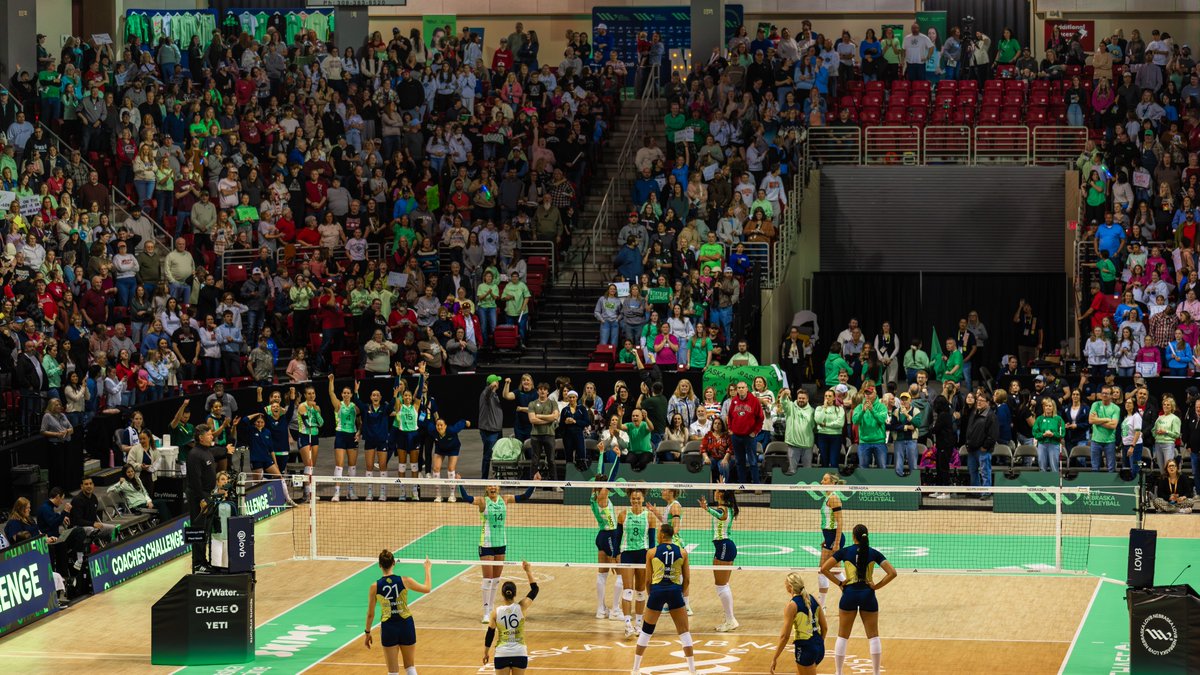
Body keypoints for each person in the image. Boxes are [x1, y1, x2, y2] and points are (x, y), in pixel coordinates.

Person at [820, 524, 898, 675]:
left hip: (849, 594)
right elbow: (892, 573)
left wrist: (840, 584)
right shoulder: (873, 553)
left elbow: (824, 569)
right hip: (868, 595)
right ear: (866, 536)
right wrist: (876, 586)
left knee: (843, 635)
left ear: (853, 536)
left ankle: (838, 672)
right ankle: (876, 673)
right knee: (873, 635)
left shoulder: (845, 551)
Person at [456, 482, 537, 623]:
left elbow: (525, 496)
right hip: (486, 544)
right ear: (486, 489)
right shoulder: (482, 501)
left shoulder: (505, 499)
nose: (492, 488)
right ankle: (486, 612)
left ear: (498, 488)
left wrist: (535, 483)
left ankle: (491, 608)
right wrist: (459, 484)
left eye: (495, 486)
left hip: (501, 543)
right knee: (487, 580)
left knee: (495, 581)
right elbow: (466, 498)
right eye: (489, 486)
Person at [630, 524, 697, 675]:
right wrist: (679, 593)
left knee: (646, 631)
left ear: (660, 535)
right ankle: (693, 670)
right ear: (672, 535)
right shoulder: (683, 552)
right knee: (684, 632)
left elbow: (647, 580)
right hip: (675, 592)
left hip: (657, 592)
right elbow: (686, 580)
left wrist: (651, 595)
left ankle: (635, 669)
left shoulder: (651, 552)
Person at [363, 552, 432, 675]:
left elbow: (370, 614)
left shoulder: (375, 587)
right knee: (410, 667)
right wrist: (427, 569)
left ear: (379, 565)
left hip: (389, 627)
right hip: (406, 625)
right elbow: (427, 588)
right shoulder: (406, 580)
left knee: (393, 671)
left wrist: (367, 632)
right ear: (394, 563)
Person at [484, 560, 539, 675]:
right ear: (515, 593)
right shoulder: (522, 607)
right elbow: (535, 590)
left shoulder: (495, 612)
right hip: (519, 653)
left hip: (502, 654)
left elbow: (490, 634)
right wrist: (528, 571)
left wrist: (486, 653)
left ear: (502, 594)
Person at [769, 572, 828, 675]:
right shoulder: (813, 598)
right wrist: (818, 643)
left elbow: (784, 637)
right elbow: (825, 628)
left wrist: (775, 658)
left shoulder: (792, 606)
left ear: (790, 587)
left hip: (805, 649)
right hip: (819, 647)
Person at [618, 487, 657, 639]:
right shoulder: (623, 515)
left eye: (638, 498)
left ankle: (639, 625)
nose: (635, 501)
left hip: (643, 554)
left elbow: (652, 541)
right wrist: (616, 554)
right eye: (633, 498)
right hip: (627, 554)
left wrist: (653, 558)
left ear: (642, 499)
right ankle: (628, 624)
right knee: (628, 590)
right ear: (630, 499)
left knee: (641, 591)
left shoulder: (649, 517)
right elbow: (617, 537)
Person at [698, 488, 739, 632]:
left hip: (724, 546)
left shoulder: (723, 510)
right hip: (724, 547)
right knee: (723, 585)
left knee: (721, 585)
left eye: (717, 490)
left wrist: (706, 509)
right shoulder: (730, 507)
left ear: (721, 494)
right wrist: (723, 485)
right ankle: (730, 619)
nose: (714, 492)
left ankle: (730, 620)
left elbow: (719, 514)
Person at [591, 483, 623, 619]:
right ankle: (615, 610)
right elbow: (611, 476)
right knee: (621, 572)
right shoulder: (603, 496)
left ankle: (601, 609)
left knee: (602, 574)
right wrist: (618, 460)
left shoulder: (593, 497)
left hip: (602, 536)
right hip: (611, 535)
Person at [328, 374, 361, 501]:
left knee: (352, 466)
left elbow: (361, 422)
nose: (346, 394)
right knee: (339, 465)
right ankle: (336, 493)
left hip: (352, 435)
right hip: (341, 435)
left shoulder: (355, 407)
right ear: (342, 394)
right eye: (344, 393)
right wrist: (331, 381)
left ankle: (351, 492)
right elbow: (331, 393)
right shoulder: (339, 405)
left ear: (351, 395)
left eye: (348, 393)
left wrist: (359, 432)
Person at [816, 473, 847, 608]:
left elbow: (840, 521)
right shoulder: (827, 497)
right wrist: (826, 539)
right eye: (822, 479)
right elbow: (830, 522)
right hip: (830, 537)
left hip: (835, 538)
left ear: (832, 483)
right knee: (835, 571)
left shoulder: (834, 498)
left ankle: (821, 606)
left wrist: (836, 542)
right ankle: (852, 598)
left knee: (823, 570)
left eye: (825, 479)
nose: (822, 481)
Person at [726, 381, 764, 483]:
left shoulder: (754, 401)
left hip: (749, 436)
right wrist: (730, 429)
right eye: (739, 388)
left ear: (747, 388)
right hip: (736, 436)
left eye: (743, 387)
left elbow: (760, 418)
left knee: (752, 461)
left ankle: (756, 485)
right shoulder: (734, 401)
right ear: (737, 390)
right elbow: (729, 416)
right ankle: (742, 485)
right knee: (739, 462)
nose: (741, 389)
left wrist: (755, 431)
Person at [296, 384, 324, 501]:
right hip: (304, 436)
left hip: (315, 436)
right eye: (309, 394)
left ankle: (310, 493)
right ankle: (307, 493)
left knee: (312, 465)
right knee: (308, 463)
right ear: (305, 395)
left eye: (313, 393)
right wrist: (315, 421)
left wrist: (316, 411)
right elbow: (307, 424)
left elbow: (321, 423)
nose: (311, 395)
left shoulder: (317, 407)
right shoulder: (302, 407)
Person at [1088, 385, 1120, 472]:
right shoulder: (1095, 405)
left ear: (1111, 395)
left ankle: (1110, 486)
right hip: (1095, 441)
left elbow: (1113, 425)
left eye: (1107, 393)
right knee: (1095, 468)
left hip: (1110, 441)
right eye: (1103, 393)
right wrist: (1106, 419)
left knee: (1111, 468)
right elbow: (1091, 420)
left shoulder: (1116, 408)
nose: (1104, 395)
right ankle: (1095, 485)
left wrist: (1097, 421)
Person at [1033, 397, 1065, 472]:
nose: (1048, 407)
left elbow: (1062, 433)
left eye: (1050, 406)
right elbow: (1035, 432)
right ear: (1044, 407)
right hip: (1042, 444)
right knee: (1042, 466)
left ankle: (1054, 482)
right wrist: (1043, 435)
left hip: (1054, 444)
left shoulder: (1058, 419)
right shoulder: (1039, 419)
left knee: (1054, 467)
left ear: (1053, 407)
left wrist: (1053, 434)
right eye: (1046, 406)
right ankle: (1044, 482)